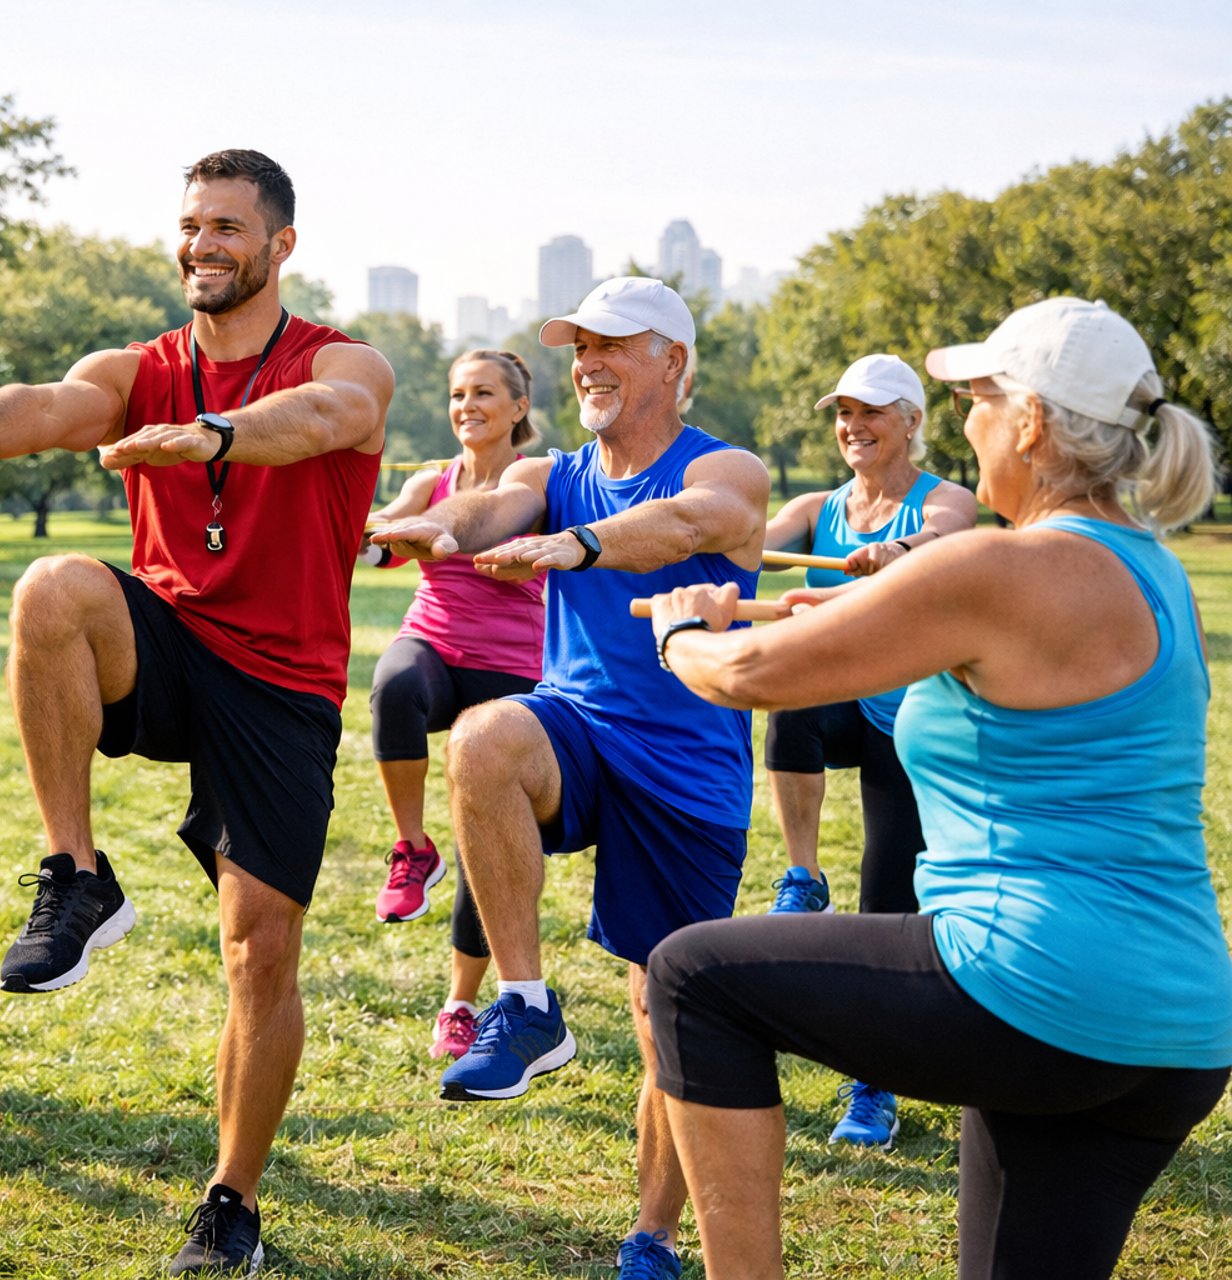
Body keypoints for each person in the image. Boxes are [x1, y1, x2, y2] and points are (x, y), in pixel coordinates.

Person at [0, 149, 392, 1275]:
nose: (202, 244)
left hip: (281, 683)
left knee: (260, 952)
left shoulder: (341, 360)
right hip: (164, 641)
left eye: (228, 227)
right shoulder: (143, 365)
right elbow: (55, 405)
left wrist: (211, 436)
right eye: (192, 223)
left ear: (279, 246)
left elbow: (322, 416)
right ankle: (78, 873)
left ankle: (230, 1198)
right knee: (52, 586)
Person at [645, 297, 1230, 1280]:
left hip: (1031, 983)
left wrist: (683, 631)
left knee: (694, 978)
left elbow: (749, 676)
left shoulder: (998, 565)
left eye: (979, 400)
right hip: (1177, 1024)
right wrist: (868, 604)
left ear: (1033, 422)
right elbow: (986, 639)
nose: (968, 422)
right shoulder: (1154, 570)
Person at [372, 277, 768, 1280]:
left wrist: (580, 544)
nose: (587, 360)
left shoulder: (726, 465)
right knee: (481, 738)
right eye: (578, 343)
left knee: (665, 1015)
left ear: (671, 362)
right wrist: (442, 524)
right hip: (578, 728)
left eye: (613, 344)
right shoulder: (557, 469)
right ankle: (528, 1003)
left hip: (685, 771)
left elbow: (692, 521)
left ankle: (653, 1234)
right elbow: (496, 500)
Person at [758, 354, 976, 1146]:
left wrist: (902, 550)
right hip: (845, 698)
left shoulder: (942, 497)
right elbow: (750, 539)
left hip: (910, 723)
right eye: (843, 413)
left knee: (887, 911)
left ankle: (873, 1086)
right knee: (793, 706)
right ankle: (803, 875)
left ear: (912, 422)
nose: (853, 426)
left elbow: (950, 536)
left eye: (871, 412)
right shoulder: (819, 504)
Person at [362, 349, 545, 1062]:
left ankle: (462, 1002)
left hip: (513, 668)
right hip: (435, 645)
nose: (467, 405)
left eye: (484, 393)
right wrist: (363, 533)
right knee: (395, 684)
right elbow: (387, 541)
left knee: (488, 846)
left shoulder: (542, 480)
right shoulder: (430, 480)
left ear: (519, 407)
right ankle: (413, 849)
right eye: (457, 393)